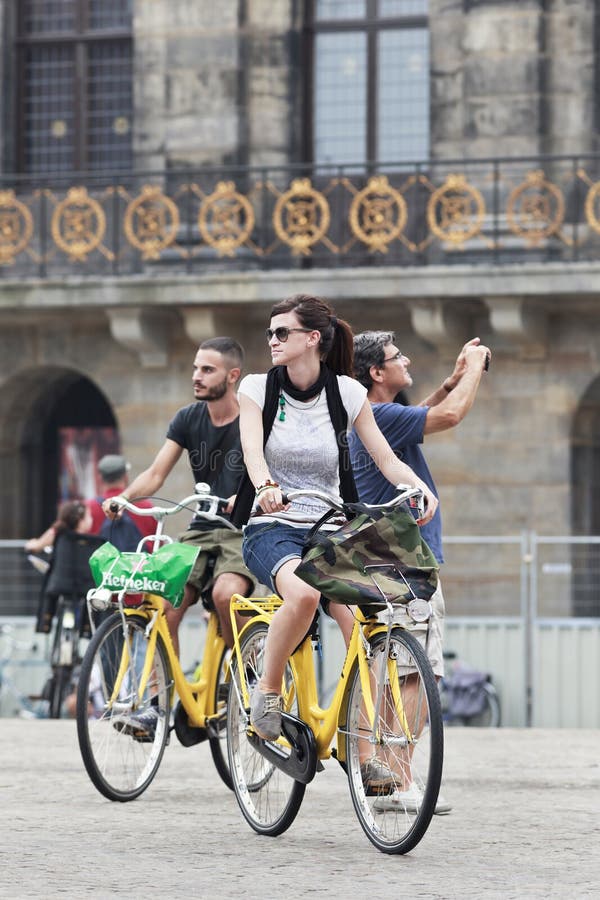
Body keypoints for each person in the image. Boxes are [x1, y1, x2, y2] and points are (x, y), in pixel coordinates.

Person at [231, 293, 438, 748]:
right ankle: (267, 693)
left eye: (281, 332)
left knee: (364, 626)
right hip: (273, 527)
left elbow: (386, 459)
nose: (272, 340)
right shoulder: (255, 388)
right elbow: (251, 450)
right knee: (303, 595)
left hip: (330, 528)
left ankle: (362, 754)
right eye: (270, 332)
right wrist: (265, 486)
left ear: (312, 339)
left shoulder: (346, 393)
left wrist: (416, 487)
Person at [349, 330, 491, 814]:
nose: (406, 361)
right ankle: (402, 779)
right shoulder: (379, 415)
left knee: (399, 673)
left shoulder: (375, 416)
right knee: (418, 675)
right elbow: (447, 418)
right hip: (407, 560)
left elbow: (423, 416)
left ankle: (387, 779)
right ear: (376, 372)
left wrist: (450, 380)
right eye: (397, 357)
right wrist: (474, 367)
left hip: (385, 556)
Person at [102, 337, 254, 656]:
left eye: (208, 369)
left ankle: (244, 673)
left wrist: (246, 500)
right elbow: (156, 474)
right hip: (200, 528)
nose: (197, 376)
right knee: (166, 600)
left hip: (243, 530)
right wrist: (125, 497)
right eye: (195, 368)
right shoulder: (188, 418)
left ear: (232, 375)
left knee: (227, 596)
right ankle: (164, 693)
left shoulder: (254, 417)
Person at [27, 500, 97, 634]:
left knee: (49, 583)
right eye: (89, 516)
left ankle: (45, 623)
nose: (91, 519)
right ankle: (86, 630)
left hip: (60, 584)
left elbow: (36, 546)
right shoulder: (93, 541)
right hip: (86, 587)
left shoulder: (59, 533)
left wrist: (30, 545)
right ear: (80, 520)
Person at [88, 454, 157, 551]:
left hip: (103, 565)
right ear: (125, 477)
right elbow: (156, 543)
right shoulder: (145, 506)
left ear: (100, 479)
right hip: (139, 565)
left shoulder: (90, 508)